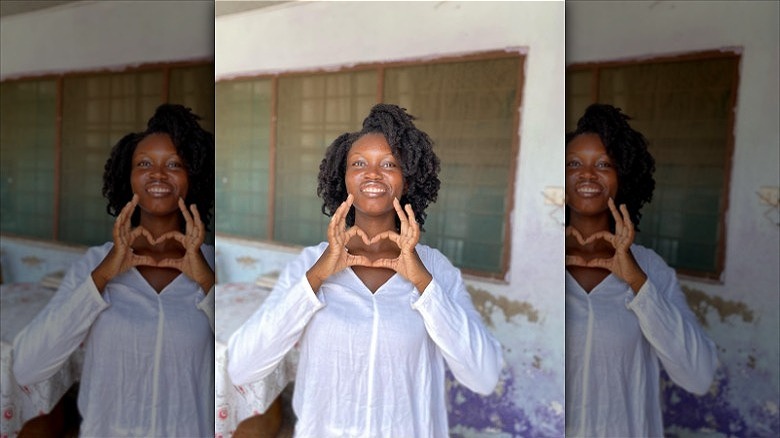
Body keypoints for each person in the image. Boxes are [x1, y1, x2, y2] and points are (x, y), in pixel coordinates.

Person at [227, 103, 503, 436]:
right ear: (343, 178)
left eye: (389, 164)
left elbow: (484, 376)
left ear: (408, 178)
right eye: (359, 164)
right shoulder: (310, 264)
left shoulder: (435, 270)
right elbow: (242, 367)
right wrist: (316, 277)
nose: (373, 174)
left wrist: (422, 283)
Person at [12, 104, 216, 437]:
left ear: (194, 176)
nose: (158, 174)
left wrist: (208, 281)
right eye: (144, 163)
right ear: (129, 175)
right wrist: (104, 273)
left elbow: (240, 364)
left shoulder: (213, 266)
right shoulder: (96, 264)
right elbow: (27, 368)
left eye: (175, 164)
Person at [564, 103, 718, 437]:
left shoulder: (649, 269)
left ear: (623, 177)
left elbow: (699, 375)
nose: (587, 174)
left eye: (604, 164)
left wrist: (636, 281)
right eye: (573, 163)